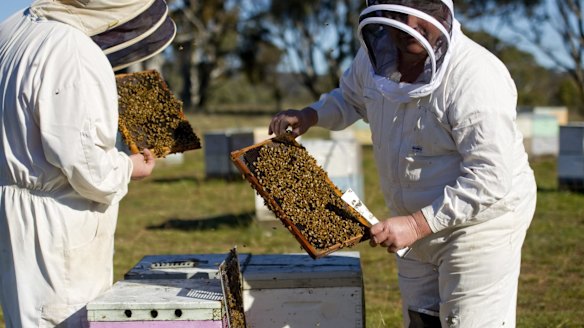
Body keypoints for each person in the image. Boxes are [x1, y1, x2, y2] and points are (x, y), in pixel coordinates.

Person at [269, 0, 537, 327]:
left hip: (479, 225)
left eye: (421, 8)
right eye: (398, 13)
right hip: (412, 217)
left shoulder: (476, 77)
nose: (411, 22)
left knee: (467, 321)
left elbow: (490, 178)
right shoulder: (373, 59)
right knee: (422, 319)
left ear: (443, 12)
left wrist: (414, 225)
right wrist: (311, 114)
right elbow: (350, 98)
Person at [0, 0, 176, 326]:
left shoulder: (15, 28)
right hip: (58, 224)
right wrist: (129, 167)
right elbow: (88, 168)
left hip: (14, 212)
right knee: (62, 317)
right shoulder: (71, 50)